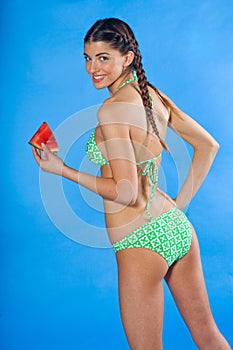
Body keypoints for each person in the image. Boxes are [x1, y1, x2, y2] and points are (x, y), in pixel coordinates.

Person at [32, 18, 231, 350]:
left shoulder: (111, 111)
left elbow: (124, 191)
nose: (93, 68)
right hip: (174, 226)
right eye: (87, 57)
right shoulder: (152, 95)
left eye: (103, 57)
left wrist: (63, 170)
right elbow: (209, 146)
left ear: (127, 58)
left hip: (139, 242)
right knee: (209, 336)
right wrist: (178, 209)